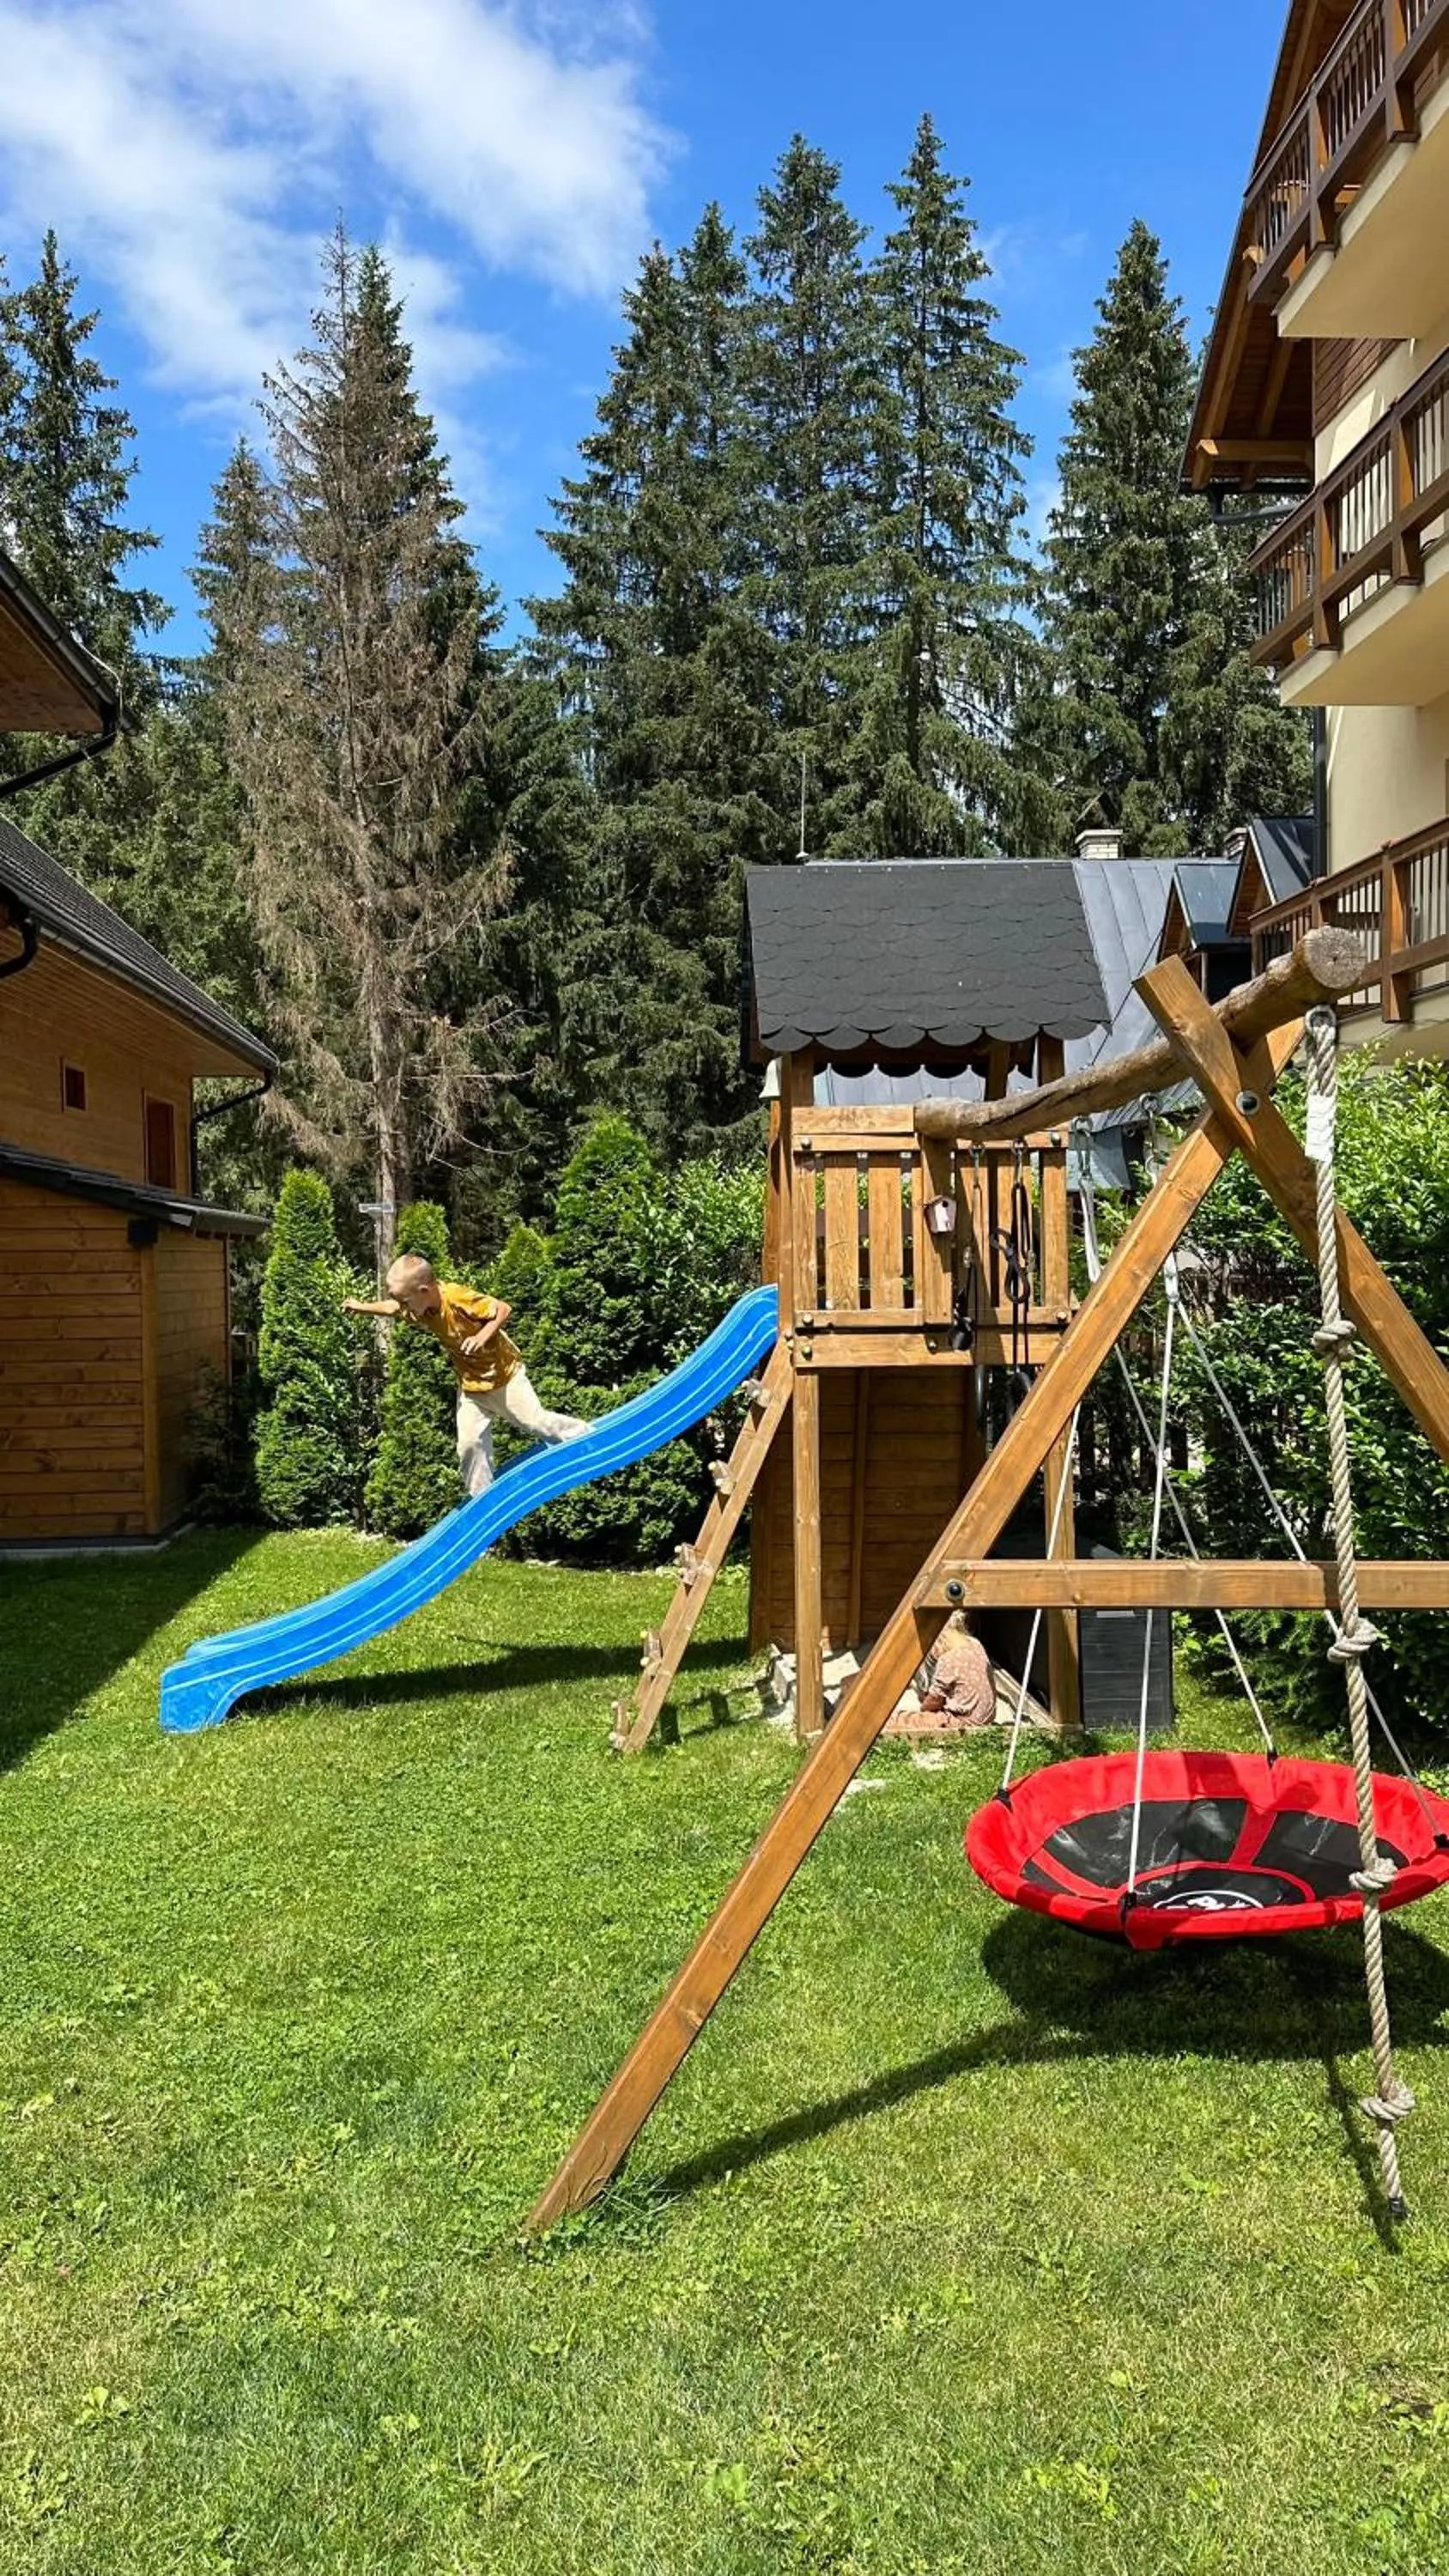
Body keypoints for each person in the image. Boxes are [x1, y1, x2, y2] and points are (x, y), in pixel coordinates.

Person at [344, 1255, 586, 1500]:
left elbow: (503, 1309)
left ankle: (584, 1436)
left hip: (504, 1376)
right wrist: (361, 1307)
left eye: (405, 1301)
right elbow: (392, 1308)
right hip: (472, 1386)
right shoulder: (421, 1308)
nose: (403, 1308)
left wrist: (481, 1337)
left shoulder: (457, 1298)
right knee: (470, 1445)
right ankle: (482, 1499)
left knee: (535, 1422)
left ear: (424, 1290)